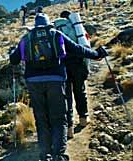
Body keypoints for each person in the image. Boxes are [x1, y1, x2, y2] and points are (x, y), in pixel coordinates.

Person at [9, 13, 107, 161]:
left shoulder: (26, 38)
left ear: (35, 26)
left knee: (41, 119)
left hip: (34, 83)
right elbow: (77, 49)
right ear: (49, 24)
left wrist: (12, 52)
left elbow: (14, 60)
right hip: (56, 81)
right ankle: (59, 155)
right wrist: (96, 54)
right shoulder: (56, 34)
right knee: (59, 119)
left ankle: (45, 154)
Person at [57, 11, 91, 139]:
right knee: (80, 91)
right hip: (78, 64)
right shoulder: (77, 28)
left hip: (63, 66)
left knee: (66, 97)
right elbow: (85, 46)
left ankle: (69, 128)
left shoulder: (54, 28)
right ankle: (83, 118)